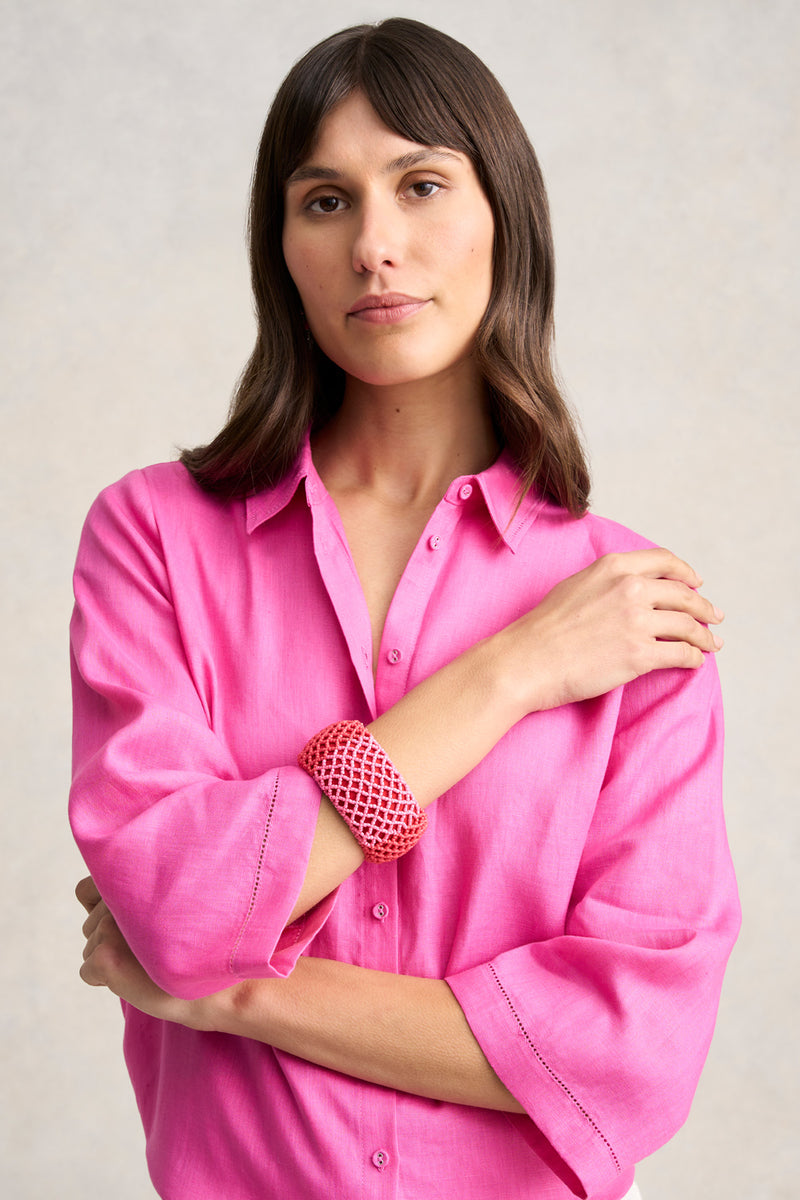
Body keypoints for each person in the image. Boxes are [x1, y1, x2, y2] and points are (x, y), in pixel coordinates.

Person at [71, 18, 740, 1200]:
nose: (376, 244)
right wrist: (509, 675)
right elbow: (171, 906)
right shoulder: (155, 538)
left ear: (504, 219)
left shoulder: (632, 610)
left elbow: (629, 1056)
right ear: (279, 247)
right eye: (323, 201)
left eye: (420, 184)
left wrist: (232, 987)